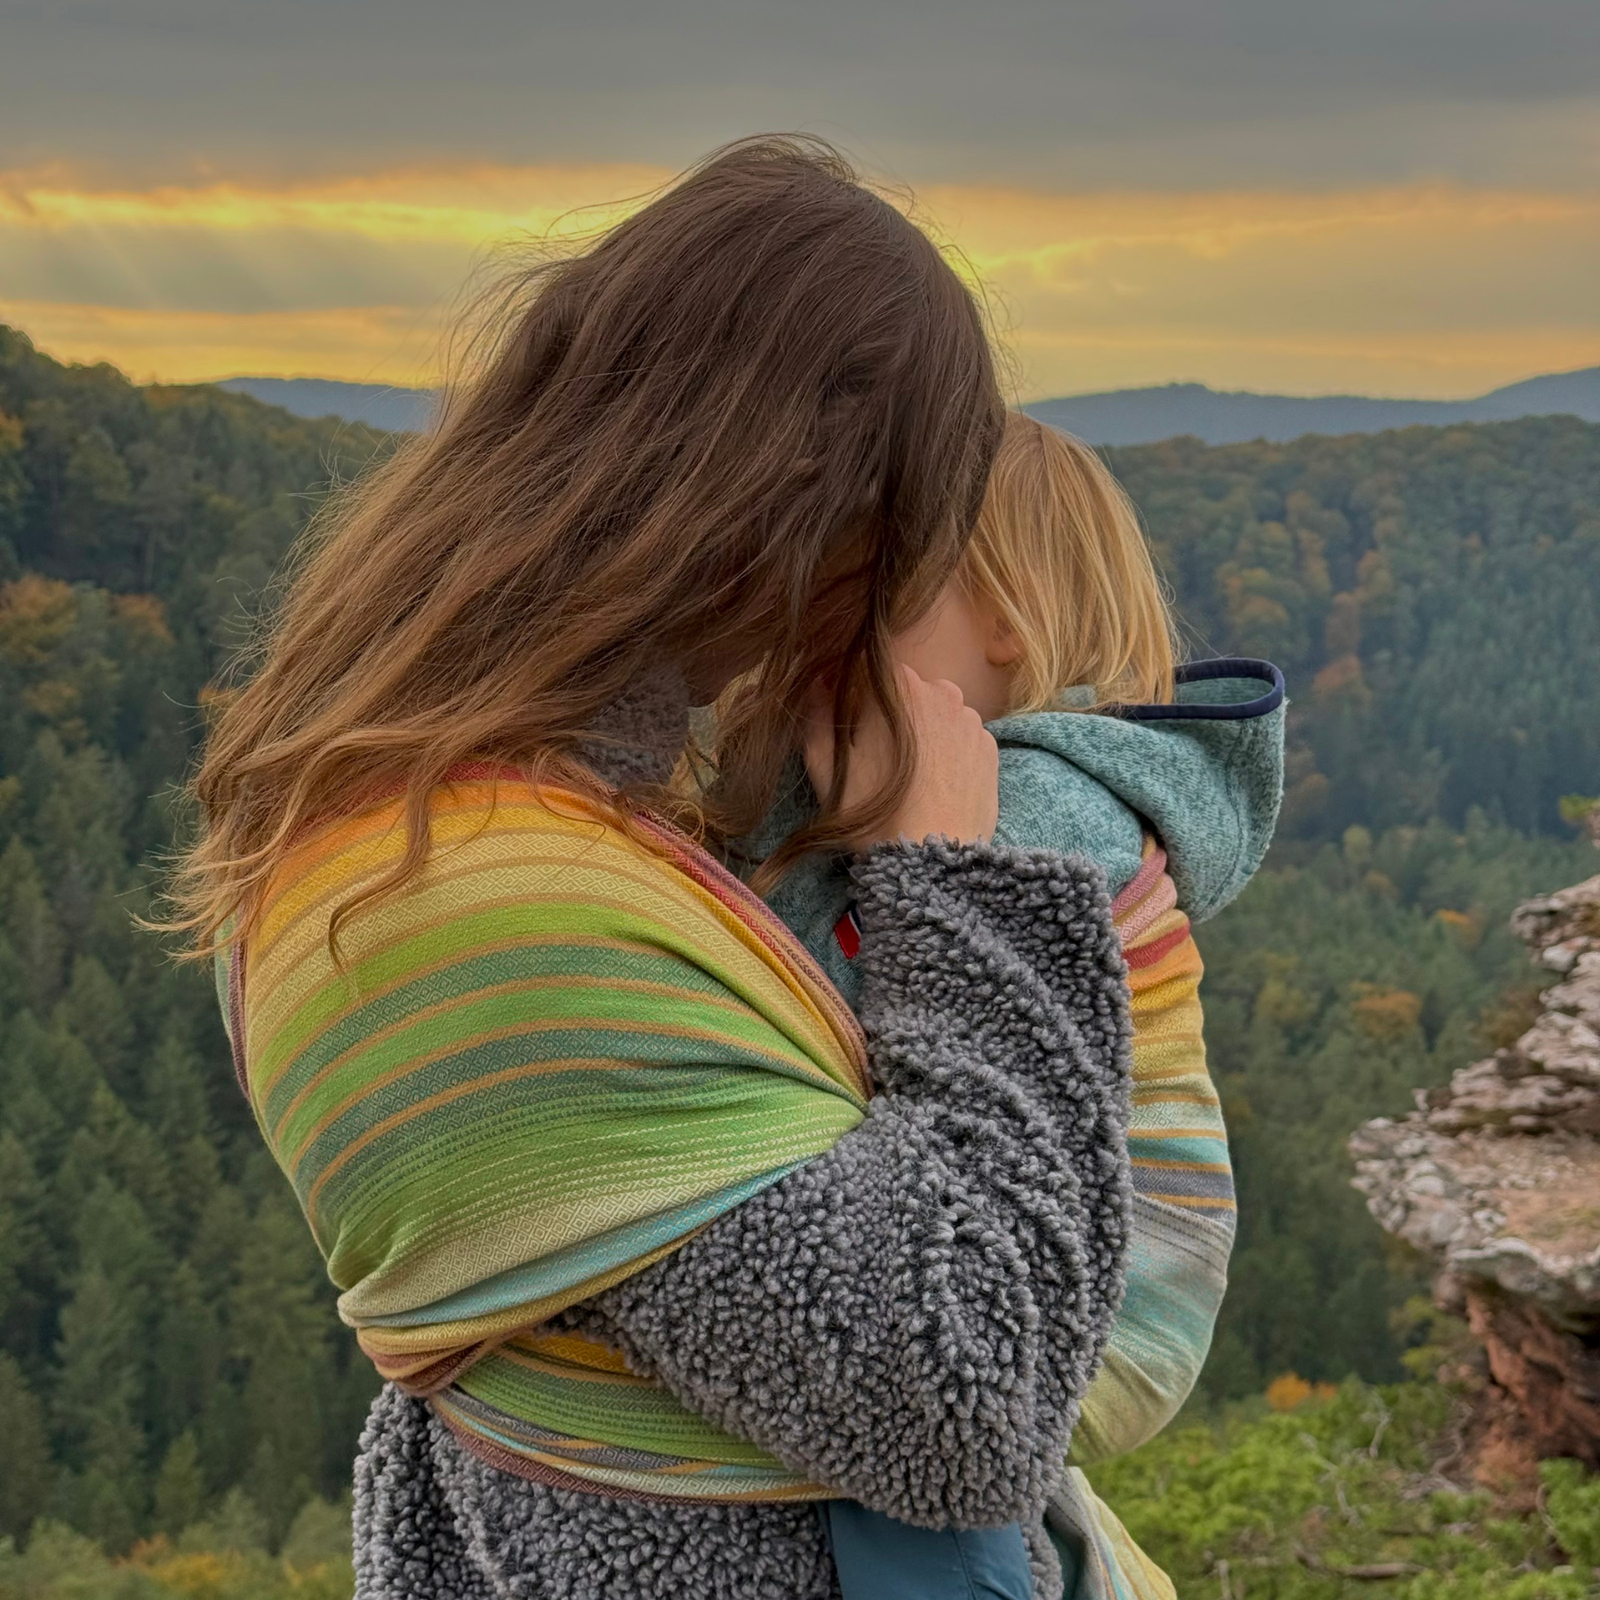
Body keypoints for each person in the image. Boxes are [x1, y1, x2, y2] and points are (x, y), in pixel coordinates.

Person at [170, 139, 1142, 1599]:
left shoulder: (479, 815)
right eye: (896, 543)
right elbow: (970, 1403)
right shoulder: (468, 894)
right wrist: (958, 878)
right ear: (800, 513)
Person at [744, 411, 1285, 1599]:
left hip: (1093, 1301)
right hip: (1091, 1282)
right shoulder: (1036, 790)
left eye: (865, 585)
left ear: (1005, 614)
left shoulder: (1038, 810)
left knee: (911, 1481)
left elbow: (846, 1025)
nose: (813, 624)